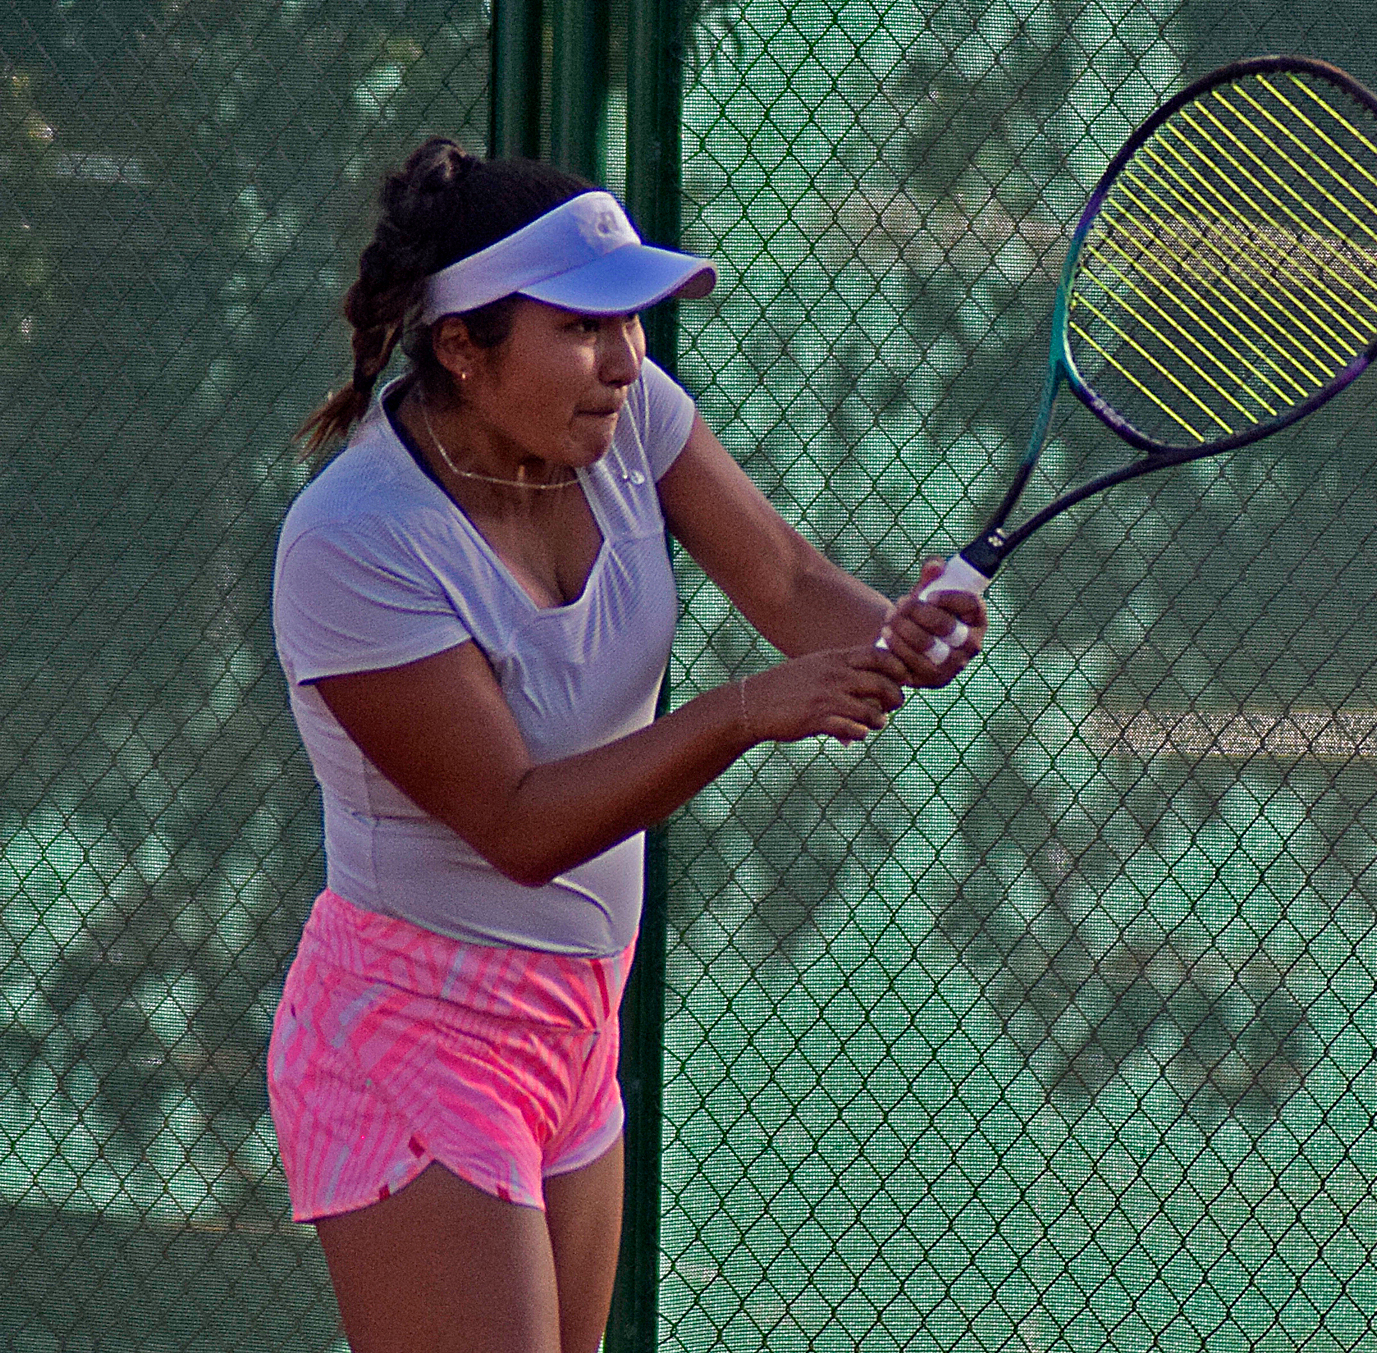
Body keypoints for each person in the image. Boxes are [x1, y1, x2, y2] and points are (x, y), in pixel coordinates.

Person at [265, 137, 985, 1353]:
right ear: (461, 346)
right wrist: (744, 711)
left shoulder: (631, 422)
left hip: (575, 1024)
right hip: (412, 1032)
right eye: (584, 329)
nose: (623, 361)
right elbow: (518, 821)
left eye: (634, 324)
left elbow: (789, 577)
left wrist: (900, 633)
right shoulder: (356, 542)